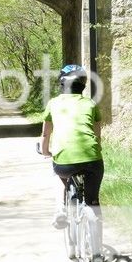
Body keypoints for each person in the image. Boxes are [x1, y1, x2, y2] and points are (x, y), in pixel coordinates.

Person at [38, 64, 104, 229]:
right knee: (93, 200)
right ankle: (96, 250)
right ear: (83, 85)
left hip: (64, 162)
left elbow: (46, 135)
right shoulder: (90, 104)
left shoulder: (53, 104)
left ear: (61, 84)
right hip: (93, 160)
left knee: (58, 174)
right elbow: (97, 135)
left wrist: (45, 151)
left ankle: (60, 209)